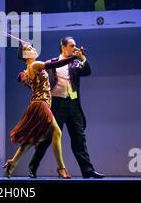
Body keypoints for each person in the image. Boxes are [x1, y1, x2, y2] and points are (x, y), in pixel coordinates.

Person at [22, 37, 105, 179]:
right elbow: (35, 80)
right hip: (56, 105)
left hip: (73, 105)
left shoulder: (75, 63)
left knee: (79, 138)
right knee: (47, 139)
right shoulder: (52, 63)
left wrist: (83, 58)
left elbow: (87, 71)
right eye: (72, 46)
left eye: (75, 46)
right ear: (63, 47)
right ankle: (32, 168)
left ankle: (87, 170)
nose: (74, 48)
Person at [3, 43, 83, 178]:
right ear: (25, 55)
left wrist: (24, 79)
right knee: (56, 132)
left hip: (37, 104)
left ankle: (13, 162)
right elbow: (55, 65)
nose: (33, 49)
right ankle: (61, 168)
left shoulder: (28, 69)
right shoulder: (34, 65)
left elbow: (38, 87)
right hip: (41, 105)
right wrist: (73, 57)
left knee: (32, 138)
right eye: (29, 49)